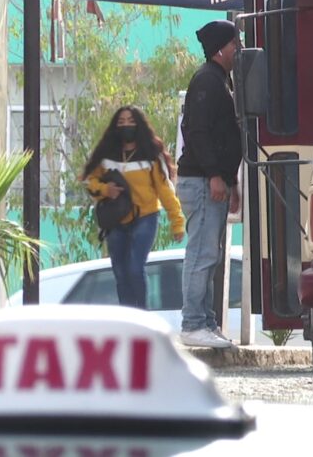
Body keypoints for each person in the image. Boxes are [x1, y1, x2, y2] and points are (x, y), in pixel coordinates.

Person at [176, 19, 243, 349]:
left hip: (214, 182)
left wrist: (231, 182)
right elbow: (198, 132)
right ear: (220, 48)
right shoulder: (207, 81)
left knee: (211, 255)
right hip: (201, 182)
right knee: (201, 254)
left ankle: (207, 322)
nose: (238, 49)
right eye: (234, 43)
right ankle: (192, 324)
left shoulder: (221, 81)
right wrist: (216, 174)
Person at [83, 106, 185, 309]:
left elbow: (165, 190)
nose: (126, 125)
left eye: (130, 121)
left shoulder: (151, 155)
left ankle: (141, 315)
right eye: (121, 122)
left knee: (135, 268)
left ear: (139, 124)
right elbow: (89, 181)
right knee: (120, 271)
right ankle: (127, 316)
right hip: (115, 220)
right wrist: (105, 189)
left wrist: (177, 222)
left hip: (145, 217)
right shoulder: (106, 154)